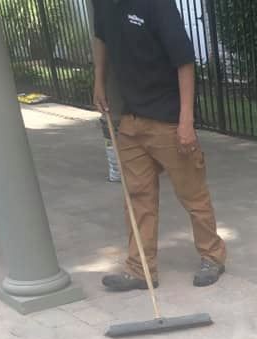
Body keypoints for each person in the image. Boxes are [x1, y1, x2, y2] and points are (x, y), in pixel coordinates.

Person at [92, 0, 226, 291]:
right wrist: (98, 80)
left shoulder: (157, 4)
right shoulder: (102, 4)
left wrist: (186, 121)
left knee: (193, 195)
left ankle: (212, 257)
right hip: (130, 120)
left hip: (168, 120)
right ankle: (140, 269)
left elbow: (184, 61)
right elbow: (101, 37)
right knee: (137, 198)